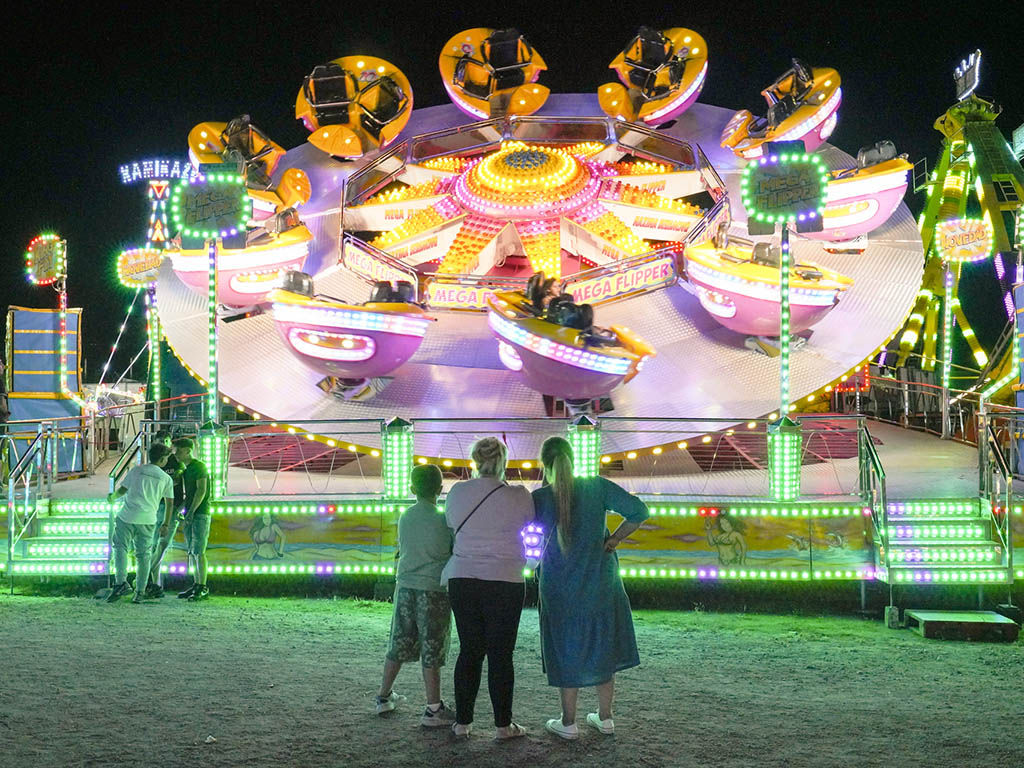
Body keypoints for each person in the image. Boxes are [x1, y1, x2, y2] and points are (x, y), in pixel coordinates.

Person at [532, 436, 649, 740]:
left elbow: (529, 536)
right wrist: (615, 539)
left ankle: (567, 721)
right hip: (601, 582)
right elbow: (639, 511)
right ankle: (606, 717)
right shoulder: (597, 487)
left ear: (545, 465)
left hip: (558, 585)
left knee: (565, 646)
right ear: (574, 458)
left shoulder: (542, 497)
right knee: (603, 645)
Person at [441, 437, 534, 741]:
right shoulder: (520, 496)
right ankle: (503, 725)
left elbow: (452, 523)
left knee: (469, 649)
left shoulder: (457, 492)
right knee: (500, 654)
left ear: (474, 461)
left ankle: (463, 722)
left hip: (463, 577)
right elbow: (528, 520)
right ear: (503, 462)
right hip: (505, 579)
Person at [375, 464, 456, 727]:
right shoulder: (444, 520)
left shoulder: (406, 517)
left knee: (399, 641)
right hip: (434, 589)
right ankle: (433, 707)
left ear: (412, 489)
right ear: (440, 489)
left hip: (406, 586)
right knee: (431, 647)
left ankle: (384, 696)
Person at [106, 443, 175, 604]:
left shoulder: (136, 470)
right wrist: (165, 524)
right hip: (148, 519)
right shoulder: (166, 478)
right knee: (143, 556)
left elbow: (123, 490)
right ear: (163, 459)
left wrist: (112, 497)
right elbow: (170, 503)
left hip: (127, 516)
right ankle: (140, 591)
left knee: (120, 548)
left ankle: (120, 582)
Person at [145, 430, 186, 597]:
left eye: (167, 441)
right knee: (155, 547)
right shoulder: (153, 465)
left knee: (161, 546)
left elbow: (181, 484)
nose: (164, 444)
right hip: (155, 508)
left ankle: (145, 578)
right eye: (161, 441)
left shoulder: (176, 463)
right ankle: (155, 584)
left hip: (172, 508)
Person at [173, 437, 211, 601]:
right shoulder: (186, 469)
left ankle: (202, 586)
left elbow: (201, 491)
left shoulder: (199, 467)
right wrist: (181, 509)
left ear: (188, 450)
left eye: (179, 451)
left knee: (199, 550)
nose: (177, 454)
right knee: (193, 551)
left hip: (200, 513)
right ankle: (197, 584)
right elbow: (188, 494)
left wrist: (190, 511)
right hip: (191, 512)